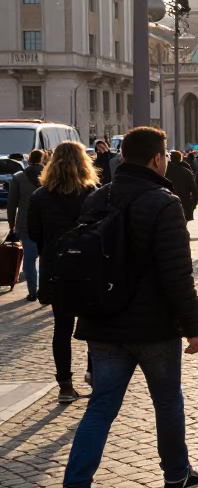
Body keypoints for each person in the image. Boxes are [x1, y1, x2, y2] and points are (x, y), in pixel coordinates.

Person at [51, 126, 198, 488]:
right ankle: (177, 476)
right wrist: (194, 326)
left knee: (100, 408)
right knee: (167, 401)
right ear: (158, 159)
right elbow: (176, 272)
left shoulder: (97, 197)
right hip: (153, 326)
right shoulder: (163, 202)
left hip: (103, 321)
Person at [28, 141, 98, 402]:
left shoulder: (39, 196)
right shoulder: (93, 192)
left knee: (62, 328)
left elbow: (35, 235)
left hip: (56, 267)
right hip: (89, 266)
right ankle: (93, 372)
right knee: (92, 323)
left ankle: (65, 386)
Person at [6, 148, 44, 300]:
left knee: (29, 259)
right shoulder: (50, 175)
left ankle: (32, 291)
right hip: (45, 223)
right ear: (42, 160)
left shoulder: (19, 177)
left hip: (25, 223)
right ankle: (44, 289)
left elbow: (11, 203)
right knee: (45, 258)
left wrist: (11, 224)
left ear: (28, 160)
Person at [165, 151, 197, 222]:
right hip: (184, 203)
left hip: (167, 203)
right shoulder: (186, 172)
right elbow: (194, 190)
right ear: (180, 159)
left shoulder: (165, 171)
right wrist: (193, 205)